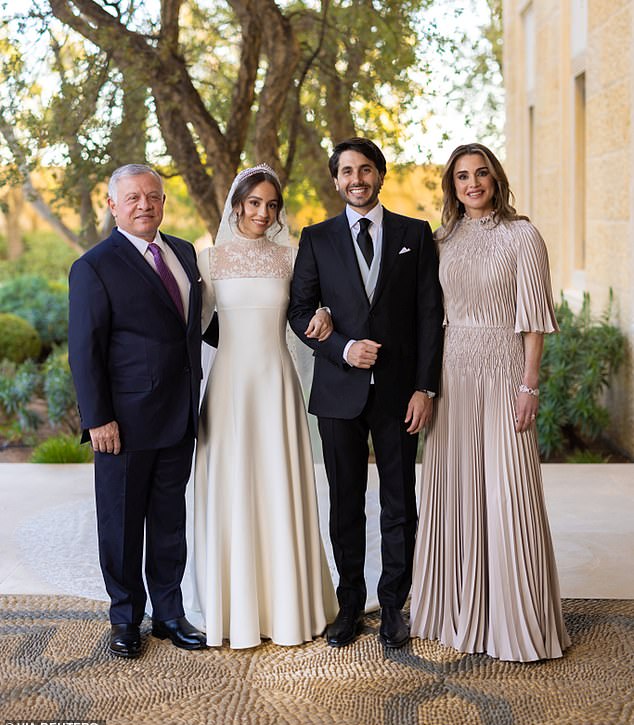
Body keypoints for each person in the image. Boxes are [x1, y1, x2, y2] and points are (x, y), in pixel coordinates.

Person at [409, 143, 571, 661]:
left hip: (504, 372)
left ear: (496, 178)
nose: (472, 183)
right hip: (452, 374)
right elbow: (416, 311)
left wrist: (529, 385)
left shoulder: (523, 236)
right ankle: (454, 611)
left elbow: (534, 320)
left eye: (481, 173)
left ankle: (517, 620)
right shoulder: (442, 240)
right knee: (454, 489)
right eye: (461, 177)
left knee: (511, 490)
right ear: (451, 187)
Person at [288, 137, 444, 649]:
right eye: (347, 171)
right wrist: (342, 347)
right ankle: (349, 603)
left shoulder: (415, 235)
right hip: (338, 393)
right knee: (345, 502)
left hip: (400, 393)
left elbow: (428, 319)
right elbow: (299, 311)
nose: (357, 179)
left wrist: (425, 387)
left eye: (365, 170)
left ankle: (395, 603)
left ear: (380, 174)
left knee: (401, 502)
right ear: (335, 180)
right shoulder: (316, 238)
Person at [191, 164, 337, 649]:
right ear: (237, 205)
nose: (263, 212)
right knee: (233, 486)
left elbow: (309, 309)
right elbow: (192, 325)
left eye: (272, 204)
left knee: (277, 483)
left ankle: (287, 606)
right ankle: (233, 606)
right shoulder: (208, 260)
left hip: (275, 383)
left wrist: (323, 313)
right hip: (230, 384)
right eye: (254, 203)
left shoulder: (291, 257)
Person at [68, 164, 206, 659]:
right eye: (132, 198)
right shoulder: (94, 266)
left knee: (170, 522)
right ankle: (125, 618)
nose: (144, 205)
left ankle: (169, 614)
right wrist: (97, 417)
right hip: (123, 424)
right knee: (122, 525)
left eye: (153, 196)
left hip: (180, 416)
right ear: (112, 205)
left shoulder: (185, 253)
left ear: (163, 200)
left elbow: (194, 326)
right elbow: (85, 349)